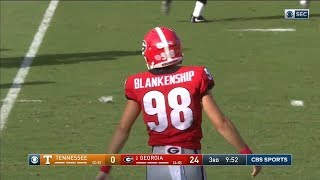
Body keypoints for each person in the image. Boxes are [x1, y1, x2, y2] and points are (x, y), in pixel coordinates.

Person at [96, 27, 262, 180]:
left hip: (157, 163)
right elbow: (221, 123)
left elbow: (123, 129)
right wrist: (246, 153)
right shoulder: (196, 76)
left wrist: (105, 168)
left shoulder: (137, 83)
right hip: (189, 159)